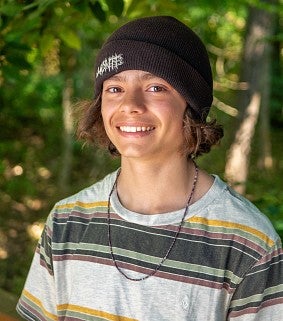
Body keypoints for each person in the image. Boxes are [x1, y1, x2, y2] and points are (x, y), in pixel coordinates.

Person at [17, 16, 283, 321]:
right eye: (114, 88)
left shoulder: (247, 242)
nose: (131, 104)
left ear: (191, 104)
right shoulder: (66, 222)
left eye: (156, 87)